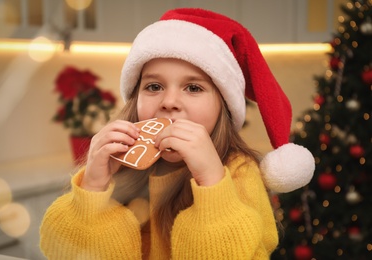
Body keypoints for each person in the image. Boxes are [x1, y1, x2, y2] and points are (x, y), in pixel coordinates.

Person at [40, 8, 314, 259]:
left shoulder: (240, 171)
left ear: (224, 107)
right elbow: (68, 253)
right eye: (154, 86)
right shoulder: (120, 165)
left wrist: (211, 182)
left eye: (193, 88)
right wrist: (92, 188)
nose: (169, 101)